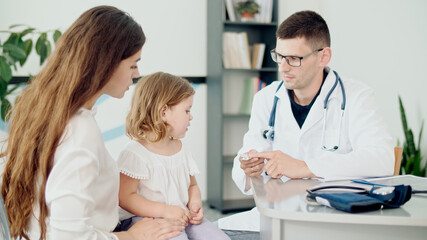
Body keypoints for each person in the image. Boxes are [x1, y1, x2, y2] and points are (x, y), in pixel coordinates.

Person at [0, 6, 184, 240]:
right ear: (106, 63)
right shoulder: (79, 130)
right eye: (132, 64)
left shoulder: (43, 110)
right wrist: (130, 237)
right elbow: (67, 236)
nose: (137, 74)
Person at [219, 10, 394, 238]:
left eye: (294, 59)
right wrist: (246, 166)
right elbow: (247, 153)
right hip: (275, 217)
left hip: (334, 221)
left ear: (323, 57)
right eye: (279, 56)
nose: (283, 67)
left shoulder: (356, 97)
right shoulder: (266, 97)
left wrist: (304, 167)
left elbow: (382, 159)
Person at [117, 72, 230, 240]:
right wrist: (165, 211)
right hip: (147, 220)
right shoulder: (134, 154)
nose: (191, 116)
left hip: (181, 214)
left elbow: (192, 186)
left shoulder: (182, 149)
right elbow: (125, 198)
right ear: (164, 112)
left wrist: (195, 203)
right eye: (187, 110)